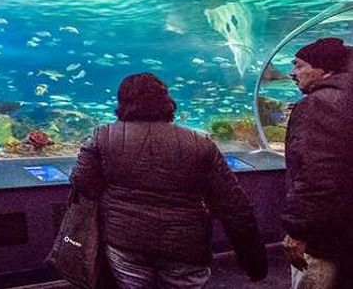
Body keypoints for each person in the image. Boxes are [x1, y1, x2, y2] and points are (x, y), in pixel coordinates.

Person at [69, 73, 267, 289]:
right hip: (185, 246)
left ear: (123, 102)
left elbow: (82, 182)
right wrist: (252, 259)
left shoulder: (103, 137)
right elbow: (233, 205)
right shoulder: (200, 143)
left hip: (126, 242)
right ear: (166, 100)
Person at [280, 37, 353, 289]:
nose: (293, 73)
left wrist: (298, 231)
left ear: (324, 69)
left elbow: (319, 174)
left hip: (322, 239)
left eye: (299, 65)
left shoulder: (318, 104)